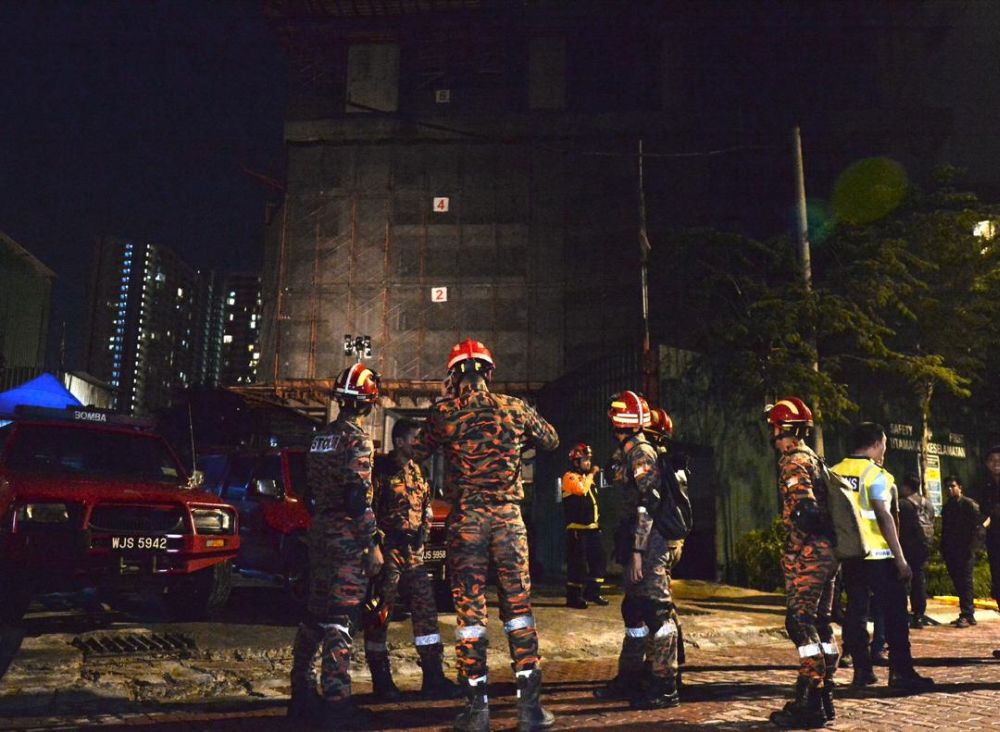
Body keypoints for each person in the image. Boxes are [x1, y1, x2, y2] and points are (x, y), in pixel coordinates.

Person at [412, 338, 559, 732]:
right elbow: (551, 439)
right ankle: (530, 708)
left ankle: (476, 709)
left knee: (470, 613)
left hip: (468, 522)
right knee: (518, 608)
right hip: (509, 521)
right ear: (489, 373)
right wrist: (517, 438)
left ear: (453, 375)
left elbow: (417, 451)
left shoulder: (445, 411)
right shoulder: (514, 407)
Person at [288, 363, 384, 727]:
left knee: (315, 613)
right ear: (367, 402)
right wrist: (371, 542)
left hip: (321, 532)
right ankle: (337, 704)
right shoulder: (357, 440)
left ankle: (300, 693)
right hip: (346, 534)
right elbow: (356, 496)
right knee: (341, 619)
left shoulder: (320, 438)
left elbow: (310, 492)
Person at [594, 391, 680, 711]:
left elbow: (649, 503)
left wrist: (638, 551)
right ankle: (629, 678)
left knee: (659, 614)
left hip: (649, 543)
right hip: (637, 540)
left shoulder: (641, 453)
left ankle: (665, 686)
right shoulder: (628, 451)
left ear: (617, 422)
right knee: (634, 611)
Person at [833, 422, 934, 693]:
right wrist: (900, 559)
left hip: (851, 557)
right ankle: (901, 672)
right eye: (885, 445)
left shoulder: (833, 473)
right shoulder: (876, 475)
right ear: (876, 444)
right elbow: (883, 514)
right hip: (880, 556)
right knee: (895, 615)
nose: (884, 450)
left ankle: (862, 671)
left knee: (856, 612)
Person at [364, 418, 459, 701]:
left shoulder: (419, 472)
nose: (420, 443)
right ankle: (382, 683)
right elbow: (367, 511)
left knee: (426, 615)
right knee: (379, 615)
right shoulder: (380, 471)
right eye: (416, 438)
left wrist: (424, 536)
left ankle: (433, 678)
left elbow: (426, 507)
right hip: (389, 553)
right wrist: (376, 546)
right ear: (401, 441)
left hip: (413, 555)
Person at [764, 397, 838, 727]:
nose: (774, 437)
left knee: (799, 622)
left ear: (782, 429)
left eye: (775, 429)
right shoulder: (815, 459)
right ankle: (824, 696)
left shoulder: (793, 461)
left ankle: (810, 700)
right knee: (820, 623)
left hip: (810, 552)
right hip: (829, 552)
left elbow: (805, 511)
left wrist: (794, 547)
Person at [645, 407, 688, 678]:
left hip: (663, 540)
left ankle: (665, 666)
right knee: (665, 600)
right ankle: (672, 655)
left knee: (660, 605)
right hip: (674, 540)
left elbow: (653, 504)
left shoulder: (659, 465)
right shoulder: (674, 464)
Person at [561, 443, 608, 609]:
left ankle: (592, 592)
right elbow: (581, 491)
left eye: (589, 460)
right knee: (577, 564)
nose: (588, 463)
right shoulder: (569, 477)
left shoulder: (587, 479)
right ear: (576, 462)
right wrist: (592, 474)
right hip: (577, 530)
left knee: (599, 560)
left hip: (593, 529)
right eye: (585, 460)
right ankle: (573, 597)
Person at [940, 475, 980, 628]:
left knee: (965, 581)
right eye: (948, 487)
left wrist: (973, 546)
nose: (950, 489)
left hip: (966, 549)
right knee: (958, 582)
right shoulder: (948, 506)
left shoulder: (969, 505)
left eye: (953, 486)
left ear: (960, 487)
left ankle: (967, 613)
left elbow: (981, 524)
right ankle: (967, 613)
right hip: (952, 550)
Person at [898, 473, 935, 629]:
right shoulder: (927, 503)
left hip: (908, 545)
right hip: (924, 544)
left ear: (906, 487)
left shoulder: (904, 504)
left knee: (904, 579)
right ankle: (919, 612)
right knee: (919, 579)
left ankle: (903, 612)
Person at [978, 446, 1000, 611]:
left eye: (999, 460)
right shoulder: (984, 486)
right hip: (994, 540)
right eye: (992, 461)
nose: (996, 464)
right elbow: (982, 511)